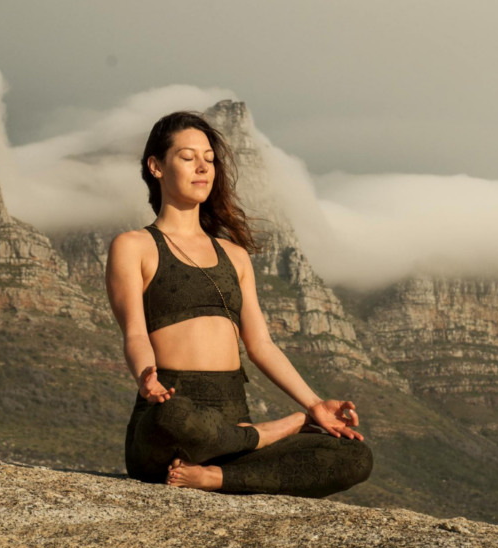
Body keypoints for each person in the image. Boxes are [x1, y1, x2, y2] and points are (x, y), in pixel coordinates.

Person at [105, 110, 373, 498]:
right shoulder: (134, 246)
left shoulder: (234, 255)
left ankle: (213, 477)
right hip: (172, 415)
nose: (203, 167)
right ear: (156, 166)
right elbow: (134, 332)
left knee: (355, 456)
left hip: (231, 423)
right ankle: (273, 431)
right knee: (172, 416)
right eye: (187, 157)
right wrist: (147, 378)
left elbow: (261, 346)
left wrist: (314, 405)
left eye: (209, 159)